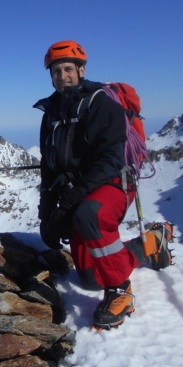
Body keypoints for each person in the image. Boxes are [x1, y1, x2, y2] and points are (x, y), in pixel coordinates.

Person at [33, 40, 171, 329]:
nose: (62, 76)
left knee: (88, 216)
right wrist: (46, 214)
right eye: (56, 71)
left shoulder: (101, 104)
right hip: (80, 188)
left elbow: (110, 160)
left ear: (81, 70)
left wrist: (68, 204)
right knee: (91, 279)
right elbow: (48, 164)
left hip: (113, 181)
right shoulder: (52, 113)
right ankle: (151, 243)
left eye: (68, 69)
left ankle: (121, 290)